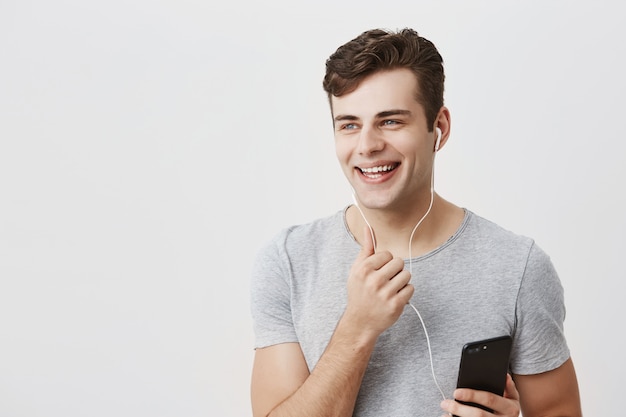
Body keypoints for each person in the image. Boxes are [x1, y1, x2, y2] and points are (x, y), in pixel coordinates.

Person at [249, 28, 582, 417]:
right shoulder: (289, 261)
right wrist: (358, 327)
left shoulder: (518, 267)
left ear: (438, 127)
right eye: (349, 124)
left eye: (390, 121)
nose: (367, 145)